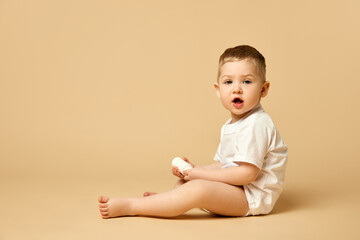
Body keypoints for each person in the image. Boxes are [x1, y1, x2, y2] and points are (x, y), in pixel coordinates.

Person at [98, 45, 288, 218]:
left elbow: (247, 175)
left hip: (251, 198)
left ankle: (133, 206)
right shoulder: (232, 125)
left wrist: (202, 176)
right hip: (237, 190)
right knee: (187, 184)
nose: (237, 89)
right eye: (228, 82)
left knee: (198, 189)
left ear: (263, 89)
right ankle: (166, 201)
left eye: (247, 82)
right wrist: (196, 169)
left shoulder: (257, 124)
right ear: (217, 89)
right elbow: (225, 164)